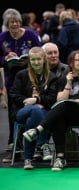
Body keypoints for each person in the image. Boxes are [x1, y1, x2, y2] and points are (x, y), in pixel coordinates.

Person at [22, 51, 79, 171]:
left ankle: (37, 130)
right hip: (68, 113)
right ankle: (60, 158)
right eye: (78, 60)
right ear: (71, 63)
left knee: (63, 107)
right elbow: (60, 100)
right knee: (60, 116)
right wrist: (68, 82)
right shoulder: (63, 80)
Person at [0, 8, 41, 156]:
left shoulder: (30, 34)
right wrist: (4, 58)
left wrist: (29, 58)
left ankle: (35, 143)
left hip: (30, 78)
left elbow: (39, 51)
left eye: (17, 21)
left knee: (33, 109)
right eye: (12, 22)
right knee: (13, 112)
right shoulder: (2, 37)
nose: (15, 24)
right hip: (11, 80)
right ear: (7, 23)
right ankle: (13, 141)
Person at [9, 47, 58, 169]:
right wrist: (28, 102)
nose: (36, 62)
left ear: (44, 59)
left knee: (33, 117)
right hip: (21, 111)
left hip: (42, 113)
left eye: (39, 59)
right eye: (33, 60)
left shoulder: (51, 77)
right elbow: (14, 94)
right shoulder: (21, 75)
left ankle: (28, 160)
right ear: (29, 61)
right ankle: (42, 144)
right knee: (35, 110)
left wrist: (37, 100)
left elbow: (53, 98)